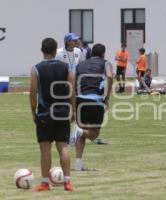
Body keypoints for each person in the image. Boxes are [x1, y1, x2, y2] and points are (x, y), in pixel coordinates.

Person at [29, 38, 75, 191]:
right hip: (62, 113)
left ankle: (44, 183)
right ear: (56, 51)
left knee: (45, 148)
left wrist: (33, 111)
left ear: (42, 51)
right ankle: (67, 182)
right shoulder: (66, 67)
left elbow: (33, 92)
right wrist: (73, 110)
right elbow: (71, 91)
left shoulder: (36, 69)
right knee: (63, 146)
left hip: (45, 113)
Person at [69, 43, 113, 171]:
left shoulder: (80, 64)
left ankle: (78, 164)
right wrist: (107, 97)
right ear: (103, 54)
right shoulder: (105, 63)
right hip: (95, 100)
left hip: (80, 100)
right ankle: (79, 131)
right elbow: (110, 76)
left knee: (81, 133)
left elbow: (72, 80)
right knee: (93, 134)